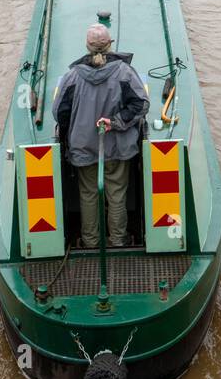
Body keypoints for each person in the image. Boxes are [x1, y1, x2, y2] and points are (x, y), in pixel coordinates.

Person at [53, 24, 150, 249]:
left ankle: (90, 241)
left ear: (87, 46)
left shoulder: (72, 77)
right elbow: (141, 104)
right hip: (117, 149)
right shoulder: (124, 73)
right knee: (117, 195)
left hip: (84, 149)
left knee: (88, 195)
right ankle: (118, 240)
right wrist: (115, 122)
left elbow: (60, 114)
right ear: (109, 45)